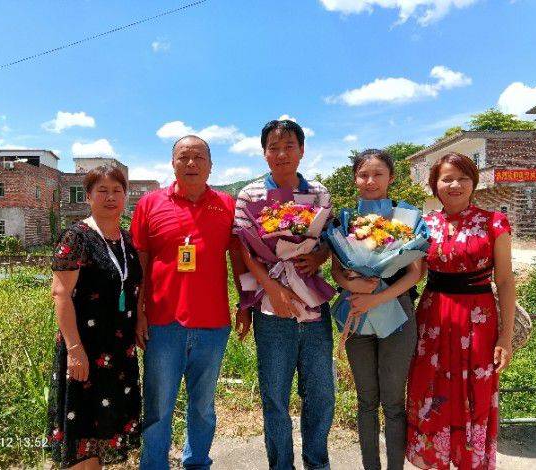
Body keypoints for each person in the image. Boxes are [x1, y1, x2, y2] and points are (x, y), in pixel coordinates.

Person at [131, 135, 250, 470]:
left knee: (202, 407)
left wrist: (244, 302)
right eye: (184, 157)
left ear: (211, 165)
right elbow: (140, 262)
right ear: (173, 163)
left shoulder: (227, 205)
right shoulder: (150, 204)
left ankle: (197, 463)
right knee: (157, 407)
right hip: (162, 323)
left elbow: (238, 258)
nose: (191, 163)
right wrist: (139, 313)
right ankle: (154, 465)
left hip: (213, 325)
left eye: (199, 157)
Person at [234, 119, 334, 470]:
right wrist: (272, 289)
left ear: (302, 150)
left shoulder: (320, 193)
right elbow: (244, 248)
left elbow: (328, 240)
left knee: (320, 394)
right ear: (264, 153)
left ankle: (317, 463)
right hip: (269, 309)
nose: (281, 153)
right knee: (275, 396)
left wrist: (320, 254)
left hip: (313, 306)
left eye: (289, 146)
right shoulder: (249, 195)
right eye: (273, 147)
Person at [406, 152, 515, 469]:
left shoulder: (494, 222)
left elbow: (506, 282)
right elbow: (415, 274)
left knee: (474, 393)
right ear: (434, 184)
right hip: (432, 318)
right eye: (446, 178)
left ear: (474, 182)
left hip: (478, 321)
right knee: (430, 388)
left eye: (463, 178)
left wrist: (505, 339)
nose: (455, 184)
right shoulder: (423, 226)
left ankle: (470, 461)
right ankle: (435, 460)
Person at [330, 149, 421, 470]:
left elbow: (414, 273)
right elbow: (337, 271)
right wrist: (356, 287)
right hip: (357, 315)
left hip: (398, 315)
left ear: (391, 177)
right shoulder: (344, 220)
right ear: (355, 178)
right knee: (366, 401)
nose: (370, 181)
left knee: (394, 403)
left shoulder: (407, 218)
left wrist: (375, 297)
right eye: (364, 174)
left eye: (378, 174)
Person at [47, 166, 142, 469]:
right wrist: (74, 350)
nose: (110, 197)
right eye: (102, 191)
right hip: (85, 352)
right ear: (88, 196)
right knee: (82, 434)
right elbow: (60, 294)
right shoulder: (77, 237)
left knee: (102, 432)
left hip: (118, 353)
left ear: (125, 196)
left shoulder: (127, 240)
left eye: (117, 190)